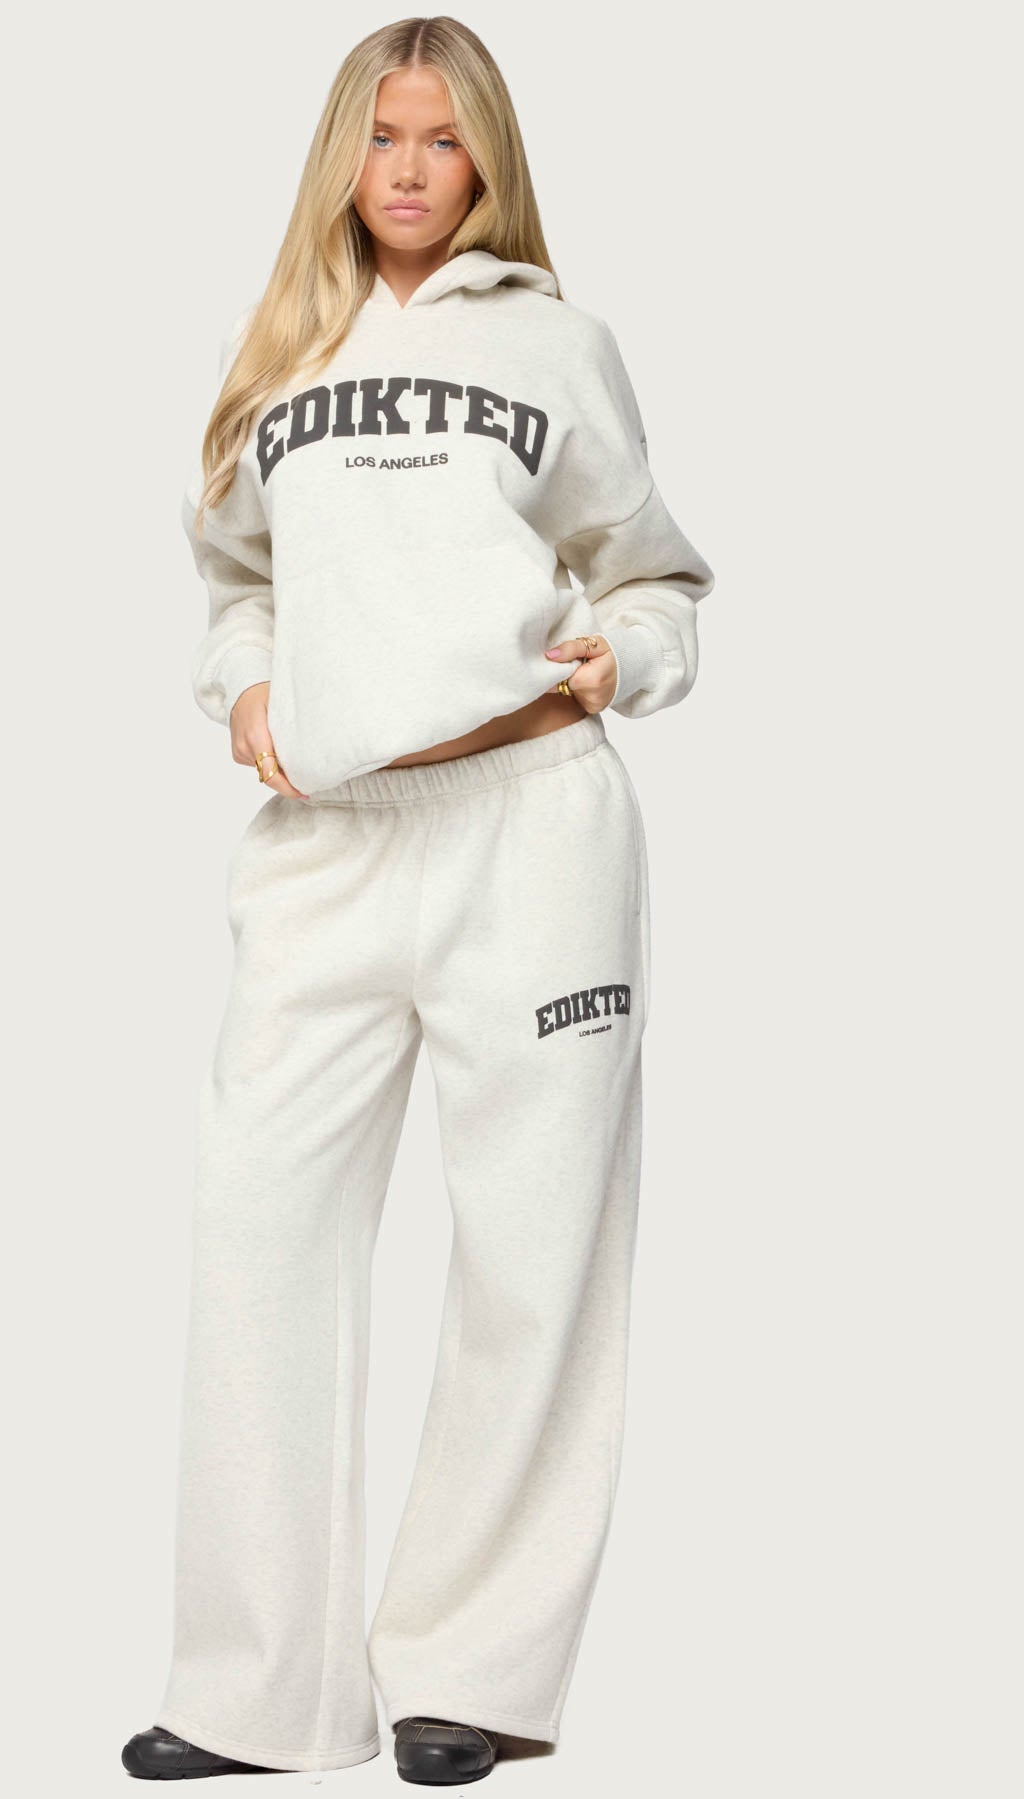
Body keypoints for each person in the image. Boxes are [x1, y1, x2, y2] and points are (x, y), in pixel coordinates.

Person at [122, 15, 715, 1787]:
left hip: (528, 827)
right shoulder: (277, 349)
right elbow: (235, 576)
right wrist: (243, 685)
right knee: (259, 1243)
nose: (408, 168)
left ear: (486, 161)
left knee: (533, 1252)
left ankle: (473, 1672)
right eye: (382, 135)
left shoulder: (559, 346)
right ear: (342, 152)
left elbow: (656, 571)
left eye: (443, 139)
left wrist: (625, 659)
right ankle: (255, 1692)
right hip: (325, 842)